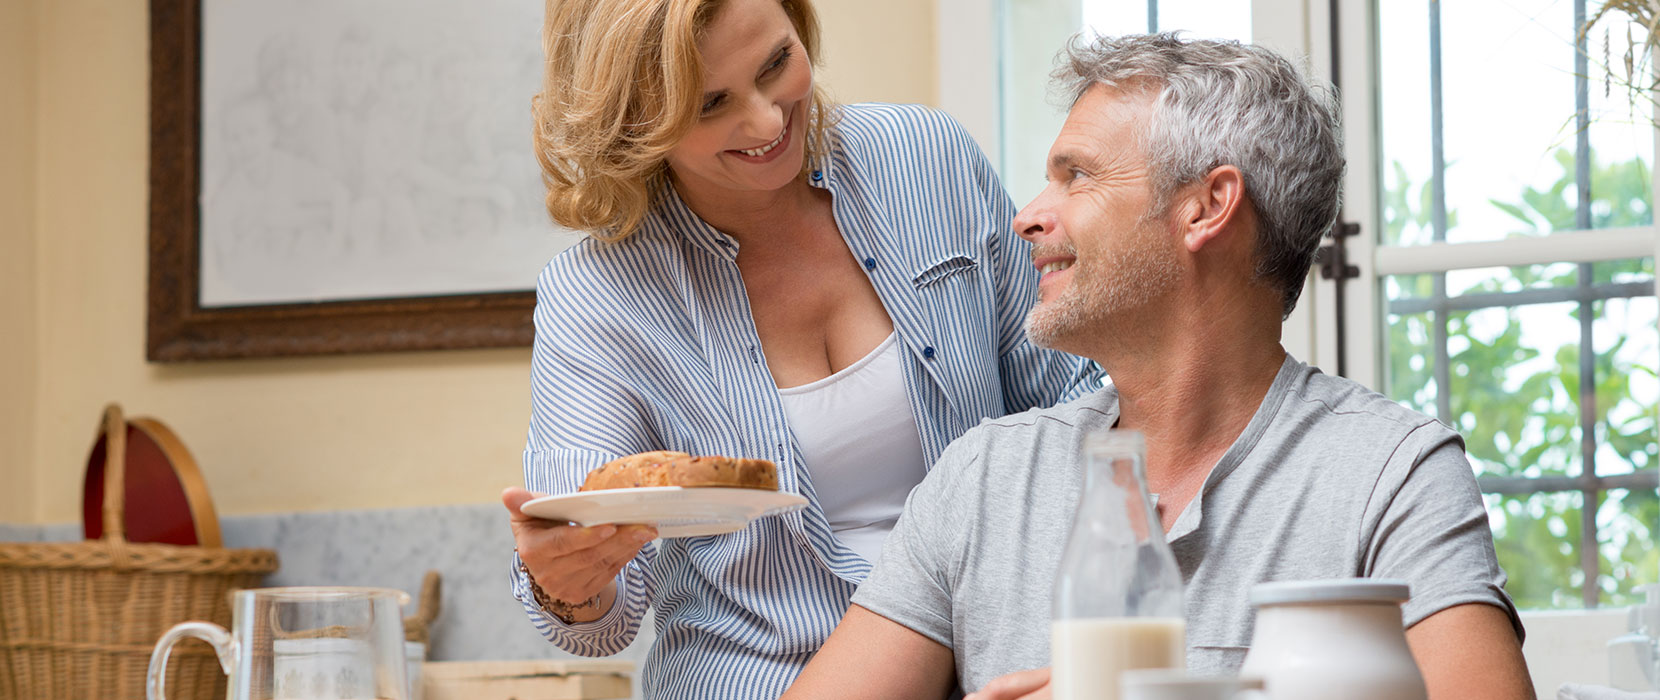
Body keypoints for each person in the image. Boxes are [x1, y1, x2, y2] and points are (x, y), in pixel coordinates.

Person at [783, 33, 1535, 700]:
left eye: (1076, 176)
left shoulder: (1392, 475)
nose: (1028, 215)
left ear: (1207, 207)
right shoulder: (981, 479)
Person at [500, 0, 1099, 697]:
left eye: (777, 63)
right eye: (710, 104)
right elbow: (597, 625)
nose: (763, 121)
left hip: (990, 668)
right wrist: (569, 585)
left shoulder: (926, 159)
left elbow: (1070, 407)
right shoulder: (598, 295)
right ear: (635, 124)